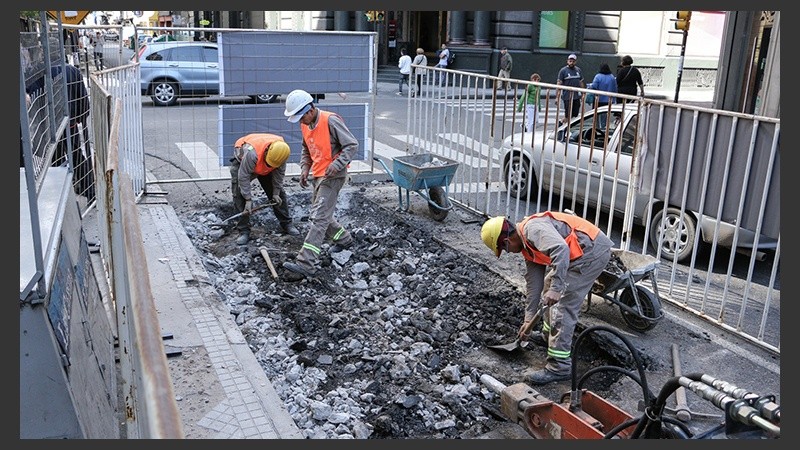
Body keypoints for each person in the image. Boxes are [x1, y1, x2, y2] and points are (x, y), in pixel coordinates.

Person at [480, 212, 613, 385]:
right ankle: (548, 336)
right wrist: (529, 319)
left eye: (504, 250)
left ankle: (559, 367)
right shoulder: (527, 247)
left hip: (591, 253)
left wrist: (557, 289)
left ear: (507, 241)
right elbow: (534, 286)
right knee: (547, 289)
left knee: (562, 308)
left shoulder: (532, 230)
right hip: (577, 254)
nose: (509, 253)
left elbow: (561, 249)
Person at [282, 89, 357, 281]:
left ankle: (306, 263)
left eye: (301, 117)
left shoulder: (330, 120)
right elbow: (307, 147)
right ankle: (345, 239)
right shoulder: (306, 124)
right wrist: (305, 168)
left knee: (318, 217)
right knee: (322, 214)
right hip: (318, 174)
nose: (300, 122)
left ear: (310, 110)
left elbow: (351, 145)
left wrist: (337, 164)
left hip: (333, 176)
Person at [229, 133, 300, 245]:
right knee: (239, 194)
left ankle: (286, 223)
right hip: (242, 163)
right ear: (267, 152)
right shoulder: (252, 154)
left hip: (263, 161)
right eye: (268, 163)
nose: (269, 165)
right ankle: (243, 230)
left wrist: (275, 193)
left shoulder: (281, 155)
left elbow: (279, 176)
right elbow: (243, 177)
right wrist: (248, 199)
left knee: (279, 194)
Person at [587, 63, 617, 129]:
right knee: (605, 115)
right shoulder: (612, 77)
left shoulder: (598, 76)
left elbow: (594, 86)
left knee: (596, 114)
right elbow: (615, 88)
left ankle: (596, 127)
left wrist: (589, 86)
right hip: (608, 100)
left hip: (598, 99)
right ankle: (603, 128)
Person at [556, 53, 585, 123]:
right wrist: (557, 97)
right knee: (568, 115)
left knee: (575, 114)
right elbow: (559, 84)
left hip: (576, 97)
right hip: (567, 97)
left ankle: (569, 126)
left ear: (575, 62)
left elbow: (581, 82)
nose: (571, 62)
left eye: (573, 61)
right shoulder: (563, 71)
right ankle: (563, 124)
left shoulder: (578, 70)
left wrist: (583, 93)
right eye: (570, 61)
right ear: (567, 61)